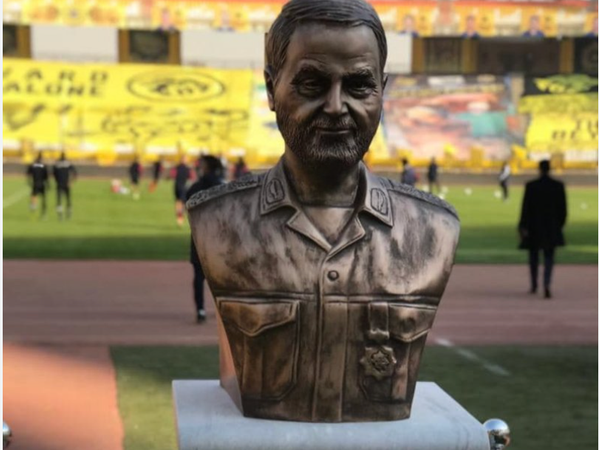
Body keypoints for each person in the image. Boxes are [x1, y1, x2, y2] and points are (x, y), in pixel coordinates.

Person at [187, 0, 460, 423]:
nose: (336, 106)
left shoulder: (435, 230)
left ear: (382, 90)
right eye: (312, 84)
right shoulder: (217, 222)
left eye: (359, 85)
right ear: (271, 89)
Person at [518, 160, 567, 299]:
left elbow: (525, 209)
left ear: (539, 169)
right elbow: (563, 211)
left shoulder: (531, 186)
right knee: (549, 258)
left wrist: (522, 226)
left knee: (533, 257)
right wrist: (558, 225)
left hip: (534, 227)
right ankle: (546, 284)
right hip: (551, 227)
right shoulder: (558, 186)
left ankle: (534, 285)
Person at [185, 155, 225, 323]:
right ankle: (223, 309)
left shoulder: (196, 187)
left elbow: (188, 202)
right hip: (218, 237)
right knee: (222, 277)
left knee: (199, 276)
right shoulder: (222, 186)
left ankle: (201, 309)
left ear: (207, 166)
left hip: (199, 235)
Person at [53, 151, 77, 220]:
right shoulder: (68, 163)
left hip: (59, 183)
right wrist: (71, 181)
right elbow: (74, 173)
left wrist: (56, 180)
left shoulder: (57, 164)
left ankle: (60, 215)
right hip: (66, 183)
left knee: (59, 200)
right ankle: (69, 213)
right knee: (68, 199)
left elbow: (53, 173)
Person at [27, 152, 50, 218]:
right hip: (42, 183)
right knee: (43, 198)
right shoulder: (43, 166)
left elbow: (29, 173)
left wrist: (29, 181)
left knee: (33, 195)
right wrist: (48, 184)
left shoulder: (33, 165)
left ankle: (33, 205)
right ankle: (44, 212)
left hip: (35, 183)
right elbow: (46, 176)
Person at [173, 155, 193, 226]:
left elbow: (172, 174)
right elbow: (191, 177)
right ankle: (180, 217)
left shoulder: (177, 167)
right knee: (181, 202)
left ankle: (179, 217)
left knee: (178, 201)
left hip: (178, 186)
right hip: (182, 187)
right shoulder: (187, 168)